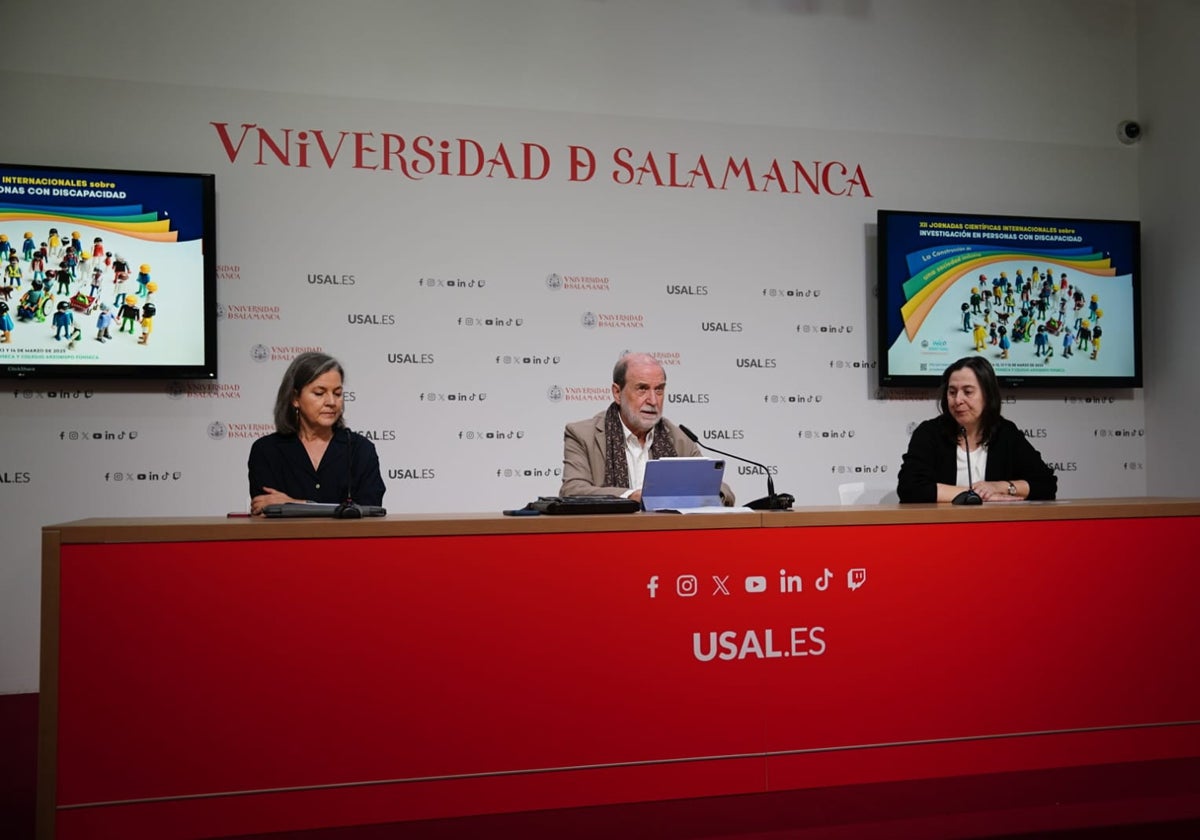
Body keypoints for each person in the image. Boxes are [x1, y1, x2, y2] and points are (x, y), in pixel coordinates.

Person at [559, 352, 734, 505]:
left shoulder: (678, 438)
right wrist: (631, 496)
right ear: (617, 393)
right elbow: (573, 490)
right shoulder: (583, 435)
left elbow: (721, 490)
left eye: (659, 390)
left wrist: (708, 496)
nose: (653, 400)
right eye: (642, 389)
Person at [896, 356, 1057, 503]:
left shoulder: (1005, 433)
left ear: (987, 395)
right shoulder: (930, 433)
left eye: (968, 392)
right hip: (940, 529)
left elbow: (1046, 484)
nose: (958, 400)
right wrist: (976, 495)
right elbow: (910, 488)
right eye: (952, 392)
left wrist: (1000, 487)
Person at [248, 351, 385, 515]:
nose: (331, 402)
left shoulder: (360, 449)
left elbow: (370, 511)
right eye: (319, 393)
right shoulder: (266, 450)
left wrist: (293, 504)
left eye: (337, 393)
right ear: (295, 398)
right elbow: (265, 510)